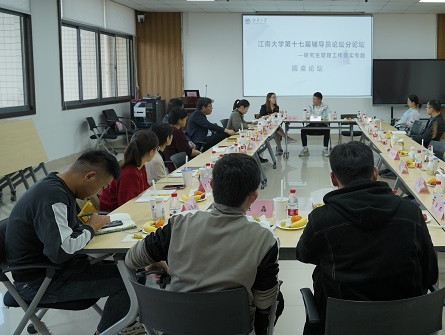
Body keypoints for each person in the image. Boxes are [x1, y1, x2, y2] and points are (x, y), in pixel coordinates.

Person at [125, 154, 284, 335]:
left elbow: (131, 259)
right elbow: (264, 302)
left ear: (212, 186)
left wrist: (163, 263)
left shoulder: (178, 225)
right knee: (276, 297)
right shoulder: (264, 239)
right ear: (253, 196)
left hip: (179, 326)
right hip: (232, 327)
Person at [296, 141, 438, 335]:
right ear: (375, 173)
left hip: (343, 324)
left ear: (333, 179)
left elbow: (303, 254)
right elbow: (430, 274)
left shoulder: (321, 219)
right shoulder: (411, 213)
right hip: (403, 323)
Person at [4, 151, 144, 335]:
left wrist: (89, 229)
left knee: (131, 269)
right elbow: (60, 251)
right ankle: (107, 331)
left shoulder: (59, 186)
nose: (100, 192)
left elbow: (68, 234)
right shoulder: (53, 197)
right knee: (129, 281)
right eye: (102, 186)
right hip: (39, 282)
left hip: (54, 269)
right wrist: (91, 228)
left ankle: (123, 322)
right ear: (89, 176)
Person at [99, 130, 159, 211]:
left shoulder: (140, 165)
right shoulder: (129, 173)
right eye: (157, 149)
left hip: (131, 207)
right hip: (113, 213)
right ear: (151, 152)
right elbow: (127, 205)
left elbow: (145, 191)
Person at [228, 99, 268, 164]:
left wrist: (251, 123)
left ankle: (257, 158)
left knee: (252, 141)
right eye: (247, 109)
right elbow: (238, 126)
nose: (247, 111)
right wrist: (248, 126)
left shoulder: (239, 113)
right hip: (233, 136)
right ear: (242, 107)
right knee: (251, 141)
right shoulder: (235, 114)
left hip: (238, 134)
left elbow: (243, 123)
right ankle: (255, 159)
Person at [299, 92, 331, 158]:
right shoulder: (310, 107)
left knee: (327, 129)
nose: (313, 100)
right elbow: (308, 115)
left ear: (319, 100)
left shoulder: (325, 107)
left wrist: (321, 118)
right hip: (312, 124)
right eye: (313, 99)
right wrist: (316, 117)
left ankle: (325, 148)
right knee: (303, 130)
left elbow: (328, 116)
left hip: (322, 124)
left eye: (315, 99)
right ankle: (305, 149)